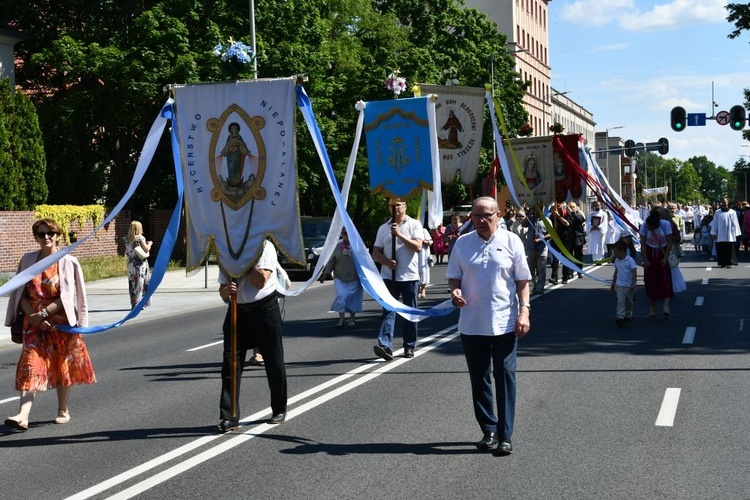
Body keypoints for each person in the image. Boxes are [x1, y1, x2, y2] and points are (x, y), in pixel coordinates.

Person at [447, 197, 532, 455]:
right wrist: (455, 292)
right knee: (479, 379)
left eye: (486, 216)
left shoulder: (511, 241)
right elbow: (454, 277)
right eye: (476, 216)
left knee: (505, 376)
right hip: (472, 325)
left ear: (498, 215)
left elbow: (522, 281)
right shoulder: (462, 244)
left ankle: (505, 435)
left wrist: (524, 311)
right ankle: (489, 430)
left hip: (505, 322)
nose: (481, 221)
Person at [4, 218, 96, 431]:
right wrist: (34, 316)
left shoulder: (68, 261)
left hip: (60, 323)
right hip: (32, 322)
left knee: (61, 365)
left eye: (50, 233)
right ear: (35, 237)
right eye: (41, 234)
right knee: (30, 366)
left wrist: (44, 313)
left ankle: (63, 409)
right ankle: (23, 415)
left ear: (58, 235)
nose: (46, 237)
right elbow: (21, 292)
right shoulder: (28, 260)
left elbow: (68, 296)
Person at [215, 239, 287, 433]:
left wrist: (242, 265)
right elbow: (222, 290)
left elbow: (259, 281)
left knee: (274, 361)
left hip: (264, 309)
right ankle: (229, 416)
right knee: (231, 363)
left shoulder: (264, 246)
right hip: (237, 310)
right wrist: (226, 291)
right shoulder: (226, 251)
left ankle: (279, 409)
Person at [371, 198, 424, 360]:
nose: (395, 208)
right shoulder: (383, 228)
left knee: (409, 312)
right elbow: (375, 252)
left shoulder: (414, 224)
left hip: (409, 276)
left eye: (398, 205)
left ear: (405, 206)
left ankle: (409, 345)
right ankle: (385, 345)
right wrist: (386, 261)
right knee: (388, 310)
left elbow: (418, 247)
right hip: (388, 277)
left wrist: (399, 234)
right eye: (392, 205)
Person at [319, 228, 363, 328]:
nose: (346, 236)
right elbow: (331, 261)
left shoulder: (358, 246)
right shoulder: (338, 246)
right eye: (344, 234)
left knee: (353, 298)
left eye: (348, 233)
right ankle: (341, 318)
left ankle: (352, 319)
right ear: (342, 235)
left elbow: (365, 262)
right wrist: (326, 273)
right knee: (341, 296)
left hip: (355, 278)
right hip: (340, 277)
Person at [639, 210, 674, 319]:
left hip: (662, 252)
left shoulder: (665, 224)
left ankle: (666, 305)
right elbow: (643, 244)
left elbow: (670, 241)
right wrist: (645, 259)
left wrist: (665, 257)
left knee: (664, 278)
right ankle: (652, 306)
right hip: (650, 253)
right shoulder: (644, 226)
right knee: (650, 280)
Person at [125, 220, 153, 309]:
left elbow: (127, 253)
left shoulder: (127, 239)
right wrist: (150, 244)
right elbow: (146, 249)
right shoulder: (140, 238)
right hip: (140, 264)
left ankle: (133, 303)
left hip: (131, 264)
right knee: (141, 283)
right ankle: (140, 303)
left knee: (132, 284)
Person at [610, 239, 637, 327]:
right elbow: (616, 272)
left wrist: (633, 284)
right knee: (620, 301)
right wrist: (613, 283)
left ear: (622, 251)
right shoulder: (617, 261)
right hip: (620, 285)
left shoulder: (630, 260)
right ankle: (620, 317)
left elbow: (634, 273)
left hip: (629, 286)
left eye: (616, 252)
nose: (615, 255)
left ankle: (628, 313)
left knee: (629, 302)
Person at [710, 197, 742, 268]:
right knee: (721, 249)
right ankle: (722, 262)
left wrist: (736, 234)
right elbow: (715, 223)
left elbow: (735, 223)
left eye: (726, 202)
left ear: (728, 202)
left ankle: (729, 262)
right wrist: (714, 233)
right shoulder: (717, 212)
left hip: (729, 234)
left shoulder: (732, 212)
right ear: (721, 203)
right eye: (723, 202)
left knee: (729, 249)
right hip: (720, 234)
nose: (724, 203)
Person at [548, 201, 572, 284]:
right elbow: (550, 225)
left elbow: (567, 224)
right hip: (555, 239)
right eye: (556, 204)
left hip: (565, 239)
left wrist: (558, 216)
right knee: (555, 259)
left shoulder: (567, 213)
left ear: (563, 204)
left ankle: (565, 276)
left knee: (565, 258)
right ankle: (554, 277)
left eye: (559, 203)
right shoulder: (552, 215)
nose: (558, 205)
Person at [567, 201, 587, 278]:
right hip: (570, 238)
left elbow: (581, 220)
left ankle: (579, 271)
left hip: (579, 238)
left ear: (576, 207)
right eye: (570, 207)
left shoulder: (579, 214)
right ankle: (570, 272)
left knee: (579, 256)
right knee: (570, 256)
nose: (572, 208)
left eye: (573, 207)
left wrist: (574, 213)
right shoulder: (568, 215)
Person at [417, 226, 433, 299]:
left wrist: (426, 242)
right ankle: (417, 290)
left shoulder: (423, 230)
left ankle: (423, 290)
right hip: (415, 255)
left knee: (423, 272)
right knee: (416, 272)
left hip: (424, 255)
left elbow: (431, 241)